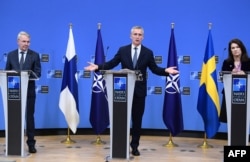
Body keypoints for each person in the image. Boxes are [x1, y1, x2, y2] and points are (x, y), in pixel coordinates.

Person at [84, 26, 179, 156]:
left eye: (140, 34)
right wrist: (97, 67)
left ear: (143, 37)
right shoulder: (122, 50)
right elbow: (112, 63)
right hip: (122, 92)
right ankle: (120, 146)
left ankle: (134, 146)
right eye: (135, 34)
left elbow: (154, 69)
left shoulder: (148, 52)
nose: (137, 36)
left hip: (139, 93)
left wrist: (165, 71)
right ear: (130, 36)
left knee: (137, 120)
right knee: (121, 119)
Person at [5, 31, 41, 153]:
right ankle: (14, 142)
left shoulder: (35, 55)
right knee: (14, 117)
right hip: (13, 92)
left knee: (29, 118)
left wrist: (26, 76)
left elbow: (38, 73)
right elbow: (6, 72)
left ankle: (31, 143)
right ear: (18, 42)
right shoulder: (11, 55)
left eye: (28, 42)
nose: (26, 44)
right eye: (24, 41)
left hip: (29, 91)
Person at [220, 38, 250, 123]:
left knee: (243, 119)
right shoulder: (226, 62)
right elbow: (222, 78)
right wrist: (230, 74)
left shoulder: (248, 62)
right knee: (231, 118)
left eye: (237, 47)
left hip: (245, 94)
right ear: (230, 50)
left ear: (241, 48)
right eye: (233, 48)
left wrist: (245, 74)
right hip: (229, 94)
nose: (235, 49)